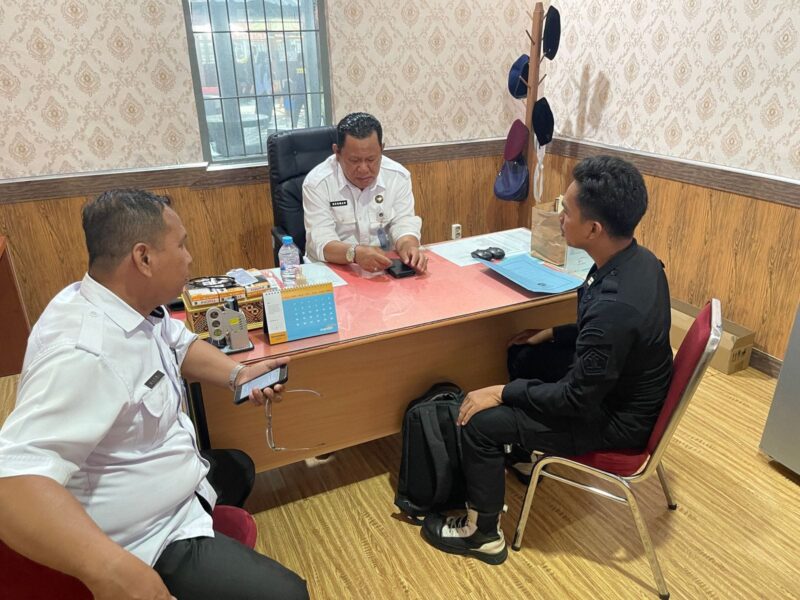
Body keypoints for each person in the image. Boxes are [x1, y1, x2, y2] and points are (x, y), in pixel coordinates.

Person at [0, 190, 309, 600]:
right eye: (181, 245)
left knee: (238, 467)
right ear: (143, 258)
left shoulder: (126, 303)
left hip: (170, 484)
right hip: (146, 538)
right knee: (289, 594)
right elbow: (13, 477)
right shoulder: (85, 353)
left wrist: (239, 374)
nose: (189, 258)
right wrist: (111, 571)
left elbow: (179, 343)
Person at [421, 156, 673, 565]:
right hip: (618, 388)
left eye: (566, 212)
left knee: (479, 423)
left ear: (594, 229)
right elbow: (609, 340)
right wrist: (553, 333)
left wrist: (502, 393)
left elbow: (575, 398)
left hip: (615, 419)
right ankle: (523, 456)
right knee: (525, 354)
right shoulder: (639, 261)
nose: (559, 218)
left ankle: (481, 535)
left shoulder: (616, 306)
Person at [303, 112, 427, 274]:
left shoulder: (398, 176)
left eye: (371, 159)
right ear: (337, 153)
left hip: (384, 268)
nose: (363, 169)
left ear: (382, 149)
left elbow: (403, 222)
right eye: (354, 160)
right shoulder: (317, 183)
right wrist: (354, 254)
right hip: (333, 270)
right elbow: (321, 241)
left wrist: (408, 246)